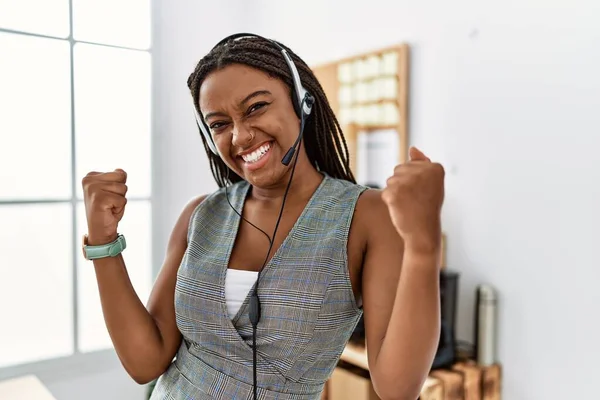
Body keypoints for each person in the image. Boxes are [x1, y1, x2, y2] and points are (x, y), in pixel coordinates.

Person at [81, 33, 445, 400]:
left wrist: (423, 245)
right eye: (219, 124)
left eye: (255, 107)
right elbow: (145, 362)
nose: (239, 136)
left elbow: (398, 389)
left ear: (301, 101)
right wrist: (103, 242)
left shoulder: (366, 216)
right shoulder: (200, 215)